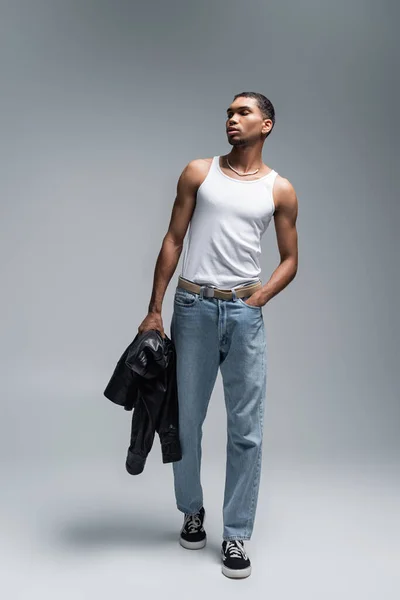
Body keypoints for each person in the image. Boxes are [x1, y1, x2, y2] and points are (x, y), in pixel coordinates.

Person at [137, 92, 298, 578]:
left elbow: (291, 259)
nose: (232, 119)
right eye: (229, 112)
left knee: (246, 429)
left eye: (243, 112)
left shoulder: (280, 189)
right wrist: (154, 310)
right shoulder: (198, 173)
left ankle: (236, 536)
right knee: (185, 422)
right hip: (193, 307)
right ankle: (192, 509)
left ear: (266, 125)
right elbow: (173, 239)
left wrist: (261, 297)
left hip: (245, 313)